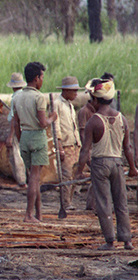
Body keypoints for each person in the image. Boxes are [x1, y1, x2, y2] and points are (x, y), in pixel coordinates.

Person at [75, 78, 137, 250]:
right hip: (118, 163)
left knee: (104, 203)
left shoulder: (93, 121)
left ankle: (109, 241)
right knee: (121, 203)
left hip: (100, 164)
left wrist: (79, 171)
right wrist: (132, 167)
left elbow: (85, 150)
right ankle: (127, 240)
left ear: (96, 100)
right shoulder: (122, 119)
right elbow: (128, 148)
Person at [11, 62, 57, 223]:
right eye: (42, 77)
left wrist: (20, 138)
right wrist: (52, 117)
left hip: (24, 137)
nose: (42, 80)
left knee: (32, 177)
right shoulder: (38, 97)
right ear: (37, 78)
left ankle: (38, 214)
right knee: (35, 178)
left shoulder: (17, 96)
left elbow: (16, 123)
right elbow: (43, 123)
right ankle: (29, 214)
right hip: (37, 137)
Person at [52, 76, 82, 211]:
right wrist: (59, 148)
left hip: (75, 144)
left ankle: (70, 200)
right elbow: (56, 127)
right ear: (66, 91)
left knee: (75, 174)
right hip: (66, 145)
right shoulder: (57, 104)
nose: (76, 94)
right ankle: (65, 202)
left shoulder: (70, 104)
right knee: (66, 175)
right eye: (74, 91)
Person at [5, 72, 27, 187]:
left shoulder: (15, 98)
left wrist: (10, 136)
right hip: (26, 127)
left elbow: (14, 117)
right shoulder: (25, 95)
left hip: (17, 128)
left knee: (16, 154)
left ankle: (21, 181)